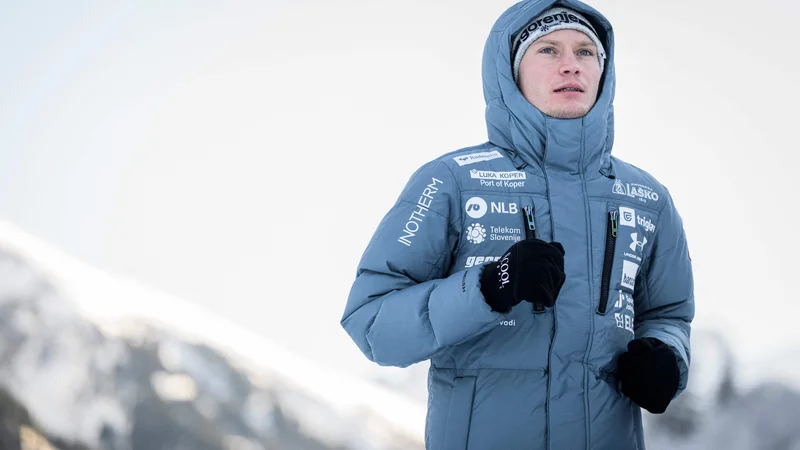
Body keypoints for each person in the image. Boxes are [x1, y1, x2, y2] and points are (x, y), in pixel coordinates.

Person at [340, 0, 695, 448]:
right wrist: (489, 287)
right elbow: (372, 323)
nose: (571, 65)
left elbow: (668, 315)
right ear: (510, 72)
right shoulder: (453, 181)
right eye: (548, 50)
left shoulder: (647, 198)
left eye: (587, 52)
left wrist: (666, 359)